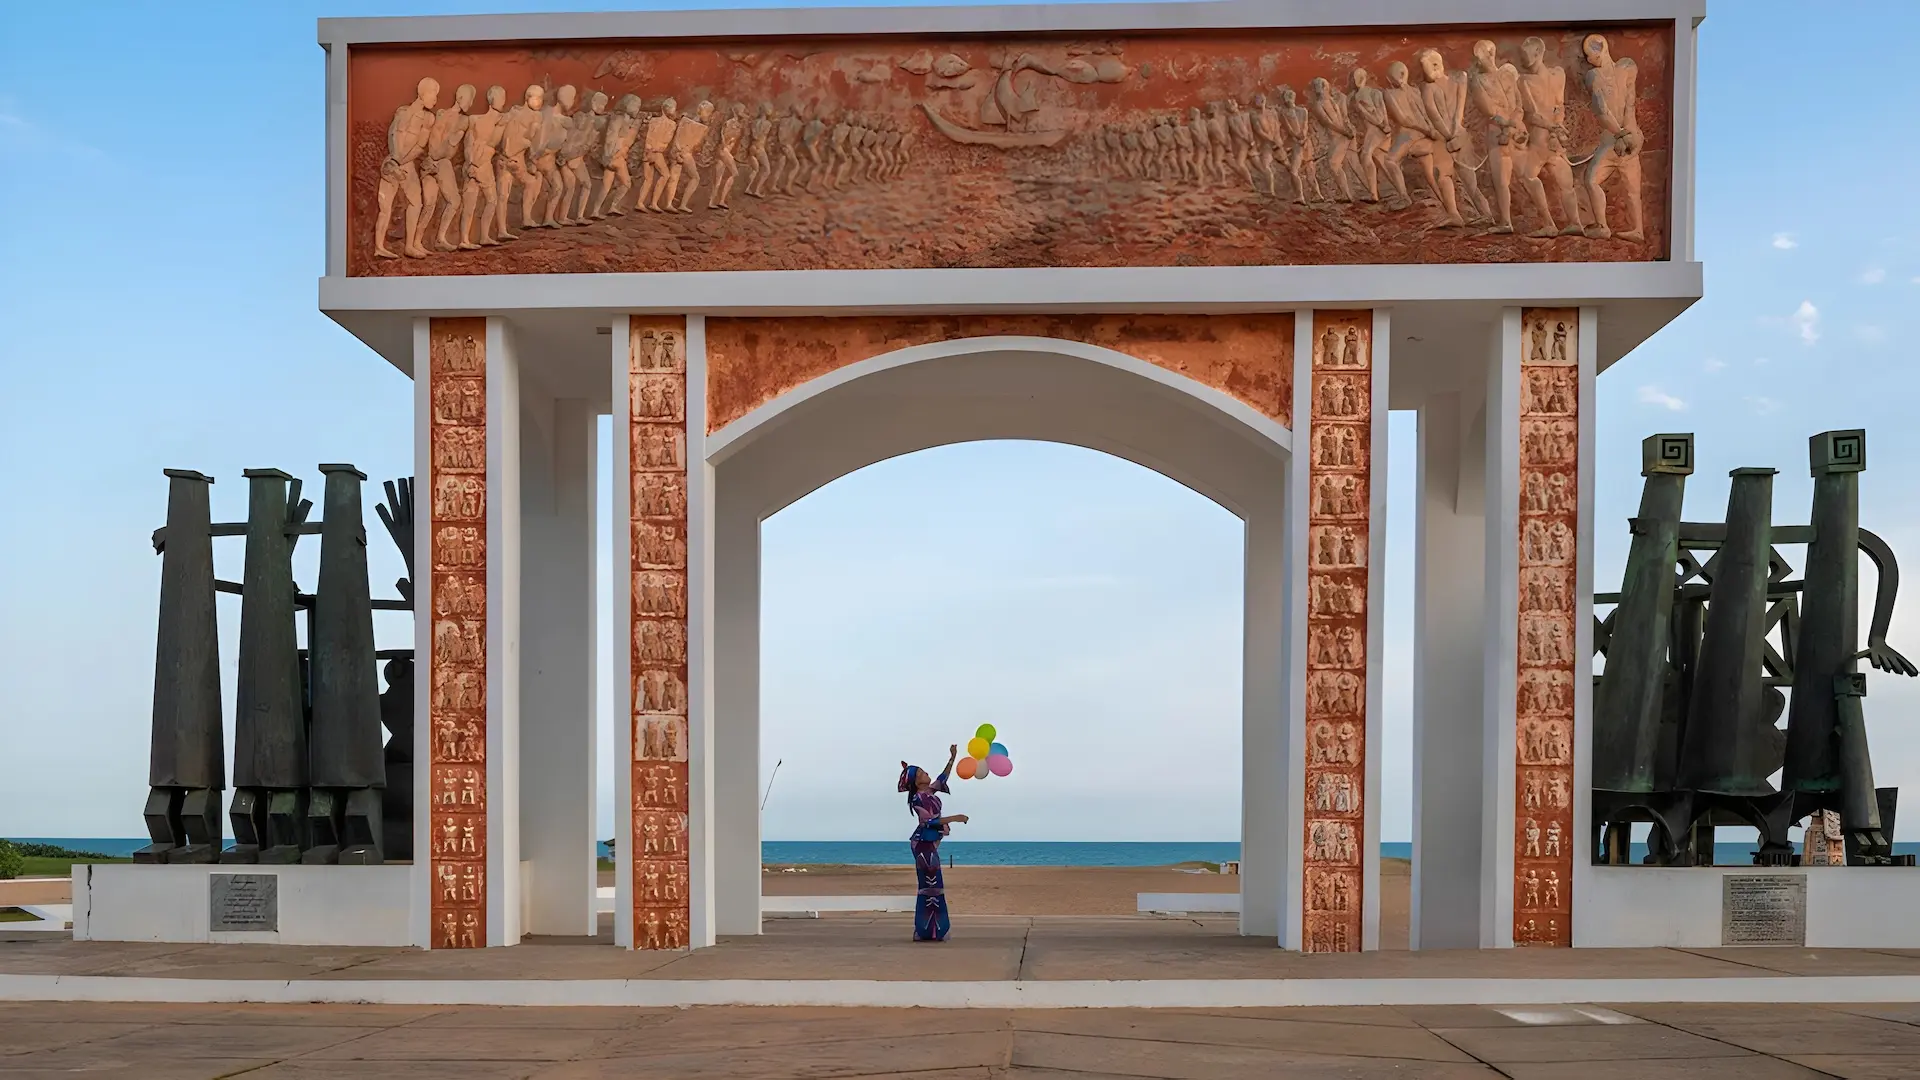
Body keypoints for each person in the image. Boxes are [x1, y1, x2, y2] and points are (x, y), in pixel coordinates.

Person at [898, 746, 967, 942]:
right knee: (930, 886)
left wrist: (952, 758)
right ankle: (927, 930)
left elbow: (943, 778)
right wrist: (954, 818)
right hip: (922, 845)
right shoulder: (918, 799)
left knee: (933, 885)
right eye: (921, 773)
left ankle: (932, 930)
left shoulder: (929, 792)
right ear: (916, 782)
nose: (926, 773)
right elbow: (927, 822)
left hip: (929, 843)